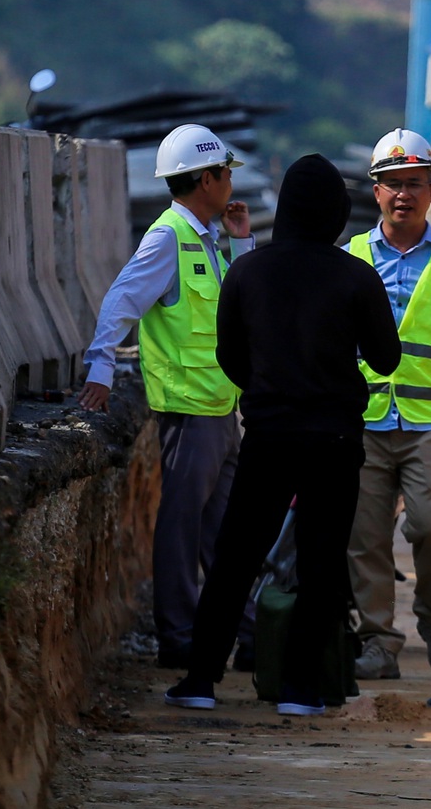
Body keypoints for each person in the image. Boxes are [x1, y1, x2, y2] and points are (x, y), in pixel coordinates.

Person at [165, 156, 401, 715]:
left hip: (268, 435)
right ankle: (300, 689)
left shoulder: (248, 272)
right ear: (337, 212)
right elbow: (387, 359)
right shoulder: (356, 275)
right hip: (336, 440)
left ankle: (200, 679)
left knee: (235, 557)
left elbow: (229, 356)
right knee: (322, 564)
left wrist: (269, 385)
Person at [78, 124, 253, 670]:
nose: (230, 183)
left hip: (221, 409)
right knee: (182, 529)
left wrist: (241, 241)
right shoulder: (167, 238)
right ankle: (179, 638)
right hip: (189, 411)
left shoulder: (207, 237)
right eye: (225, 173)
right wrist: (101, 366)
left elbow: (236, 306)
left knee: (224, 532)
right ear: (207, 179)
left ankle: (245, 633)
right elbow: (121, 300)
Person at [343, 129, 431, 682]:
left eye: (414, 183)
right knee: (365, 537)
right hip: (365, 421)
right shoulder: (353, 256)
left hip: (430, 422)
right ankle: (379, 641)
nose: (403, 194)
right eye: (392, 184)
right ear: (376, 192)